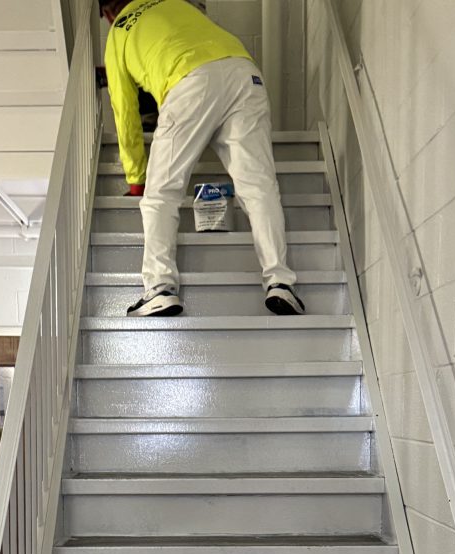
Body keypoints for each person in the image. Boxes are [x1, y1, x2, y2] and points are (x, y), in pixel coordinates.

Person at [99, 0, 304, 318]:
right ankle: (281, 282)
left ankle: (159, 288)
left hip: (188, 82)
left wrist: (136, 179)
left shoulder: (118, 33)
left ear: (108, 13)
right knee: (258, 185)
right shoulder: (175, 3)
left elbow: (125, 113)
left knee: (160, 194)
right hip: (244, 71)